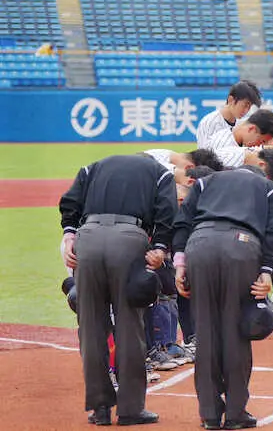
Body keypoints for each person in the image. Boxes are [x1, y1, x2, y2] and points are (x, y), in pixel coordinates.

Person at [173, 148, 273, 430]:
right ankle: (235, 413)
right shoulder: (270, 190)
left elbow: (182, 221)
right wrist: (266, 271)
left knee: (204, 332)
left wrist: (180, 264)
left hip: (200, 244)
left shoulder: (207, 181)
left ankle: (209, 414)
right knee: (235, 331)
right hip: (241, 248)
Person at [59, 154, 178, 426]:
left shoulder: (94, 167)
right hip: (128, 240)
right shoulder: (160, 173)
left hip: (87, 240)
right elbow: (167, 212)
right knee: (129, 327)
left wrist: (69, 234)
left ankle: (99, 410)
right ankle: (130, 409)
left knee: (90, 329)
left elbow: (70, 202)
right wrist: (159, 247)